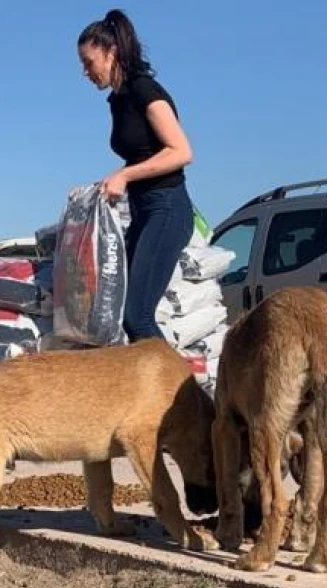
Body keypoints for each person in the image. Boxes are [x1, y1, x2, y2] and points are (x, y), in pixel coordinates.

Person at [77, 9, 196, 342]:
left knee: (136, 316)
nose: (85, 71)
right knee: (114, 309)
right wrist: (92, 191)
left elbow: (182, 151)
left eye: (89, 62)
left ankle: (180, 393)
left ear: (111, 52)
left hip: (168, 208)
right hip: (144, 211)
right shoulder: (118, 100)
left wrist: (125, 175)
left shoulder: (144, 90)